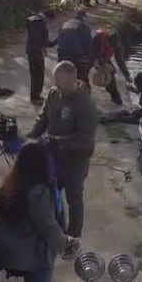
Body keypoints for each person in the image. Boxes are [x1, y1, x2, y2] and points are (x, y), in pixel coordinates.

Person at [0, 141, 68, 282]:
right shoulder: (39, 191)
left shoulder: (11, 185)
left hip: (12, 251)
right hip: (33, 254)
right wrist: (64, 243)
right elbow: (47, 225)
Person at [26, 61, 98, 260]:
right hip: (52, 157)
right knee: (49, 195)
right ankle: (57, 234)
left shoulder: (85, 104)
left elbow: (86, 141)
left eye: (62, 82)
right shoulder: (54, 94)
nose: (58, 85)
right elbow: (43, 119)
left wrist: (59, 141)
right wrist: (31, 137)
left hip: (75, 160)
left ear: (73, 79)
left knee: (74, 200)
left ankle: (74, 239)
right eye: (56, 81)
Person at [91, 28, 132, 106]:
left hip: (105, 56)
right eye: (110, 44)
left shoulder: (116, 45)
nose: (112, 46)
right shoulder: (98, 38)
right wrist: (97, 62)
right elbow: (92, 51)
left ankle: (116, 98)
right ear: (108, 40)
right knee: (104, 75)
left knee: (111, 73)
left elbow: (120, 60)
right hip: (92, 53)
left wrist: (127, 75)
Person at [26, 10, 57, 103]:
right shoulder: (42, 24)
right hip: (37, 52)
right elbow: (45, 42)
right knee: (38, 75)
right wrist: (57, 40)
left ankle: (35, 95)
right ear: (48, 18)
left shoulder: (34, 20)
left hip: (31, 50)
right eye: (51, 21)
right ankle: (35, 97)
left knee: (34, 74)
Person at [56, 11, 93, 89]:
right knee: (81, 77)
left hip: (62, 54)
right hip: (76, 54)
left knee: (63, 75)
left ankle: (62, 93)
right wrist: (89, 58)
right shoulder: (83, 26)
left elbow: (59, 38)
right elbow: (88, 44)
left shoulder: (64, 24)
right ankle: (84, 96)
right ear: (83, 17)